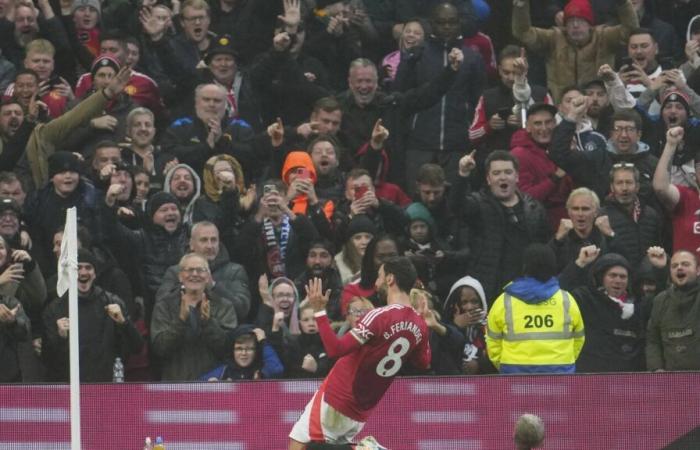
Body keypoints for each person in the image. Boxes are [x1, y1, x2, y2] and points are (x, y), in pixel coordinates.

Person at [288, 257, 430, 448]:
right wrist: (422, 321)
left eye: (379, 276)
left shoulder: (380, 316)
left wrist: (320, 312)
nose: (376, 282)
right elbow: (424, 363)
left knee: (300, 446)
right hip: (363, 408)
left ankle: (365, 449)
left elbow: (335, 349)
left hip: (338, 396)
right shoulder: (419, 324)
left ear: (390, 279)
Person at [449, 150, 550, 303]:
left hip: (525, 288)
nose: (502, 177)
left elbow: (544, 246)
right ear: (489, 179)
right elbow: (456, 206)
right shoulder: (478, 203)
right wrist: (463, 174)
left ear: (516, 177)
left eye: (508, 172)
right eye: (496, 173)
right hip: (489, 286)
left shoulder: (534, 207)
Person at [42, 249, 143, 381]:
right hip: (69, 388)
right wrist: (60, 337)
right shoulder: (55, 308)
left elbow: (137, 347)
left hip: (103, 384)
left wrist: (124, 323)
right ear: (70, 273)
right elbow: (46, 359)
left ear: (95, 274)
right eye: (78, 268)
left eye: (88, 268)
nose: (83, 273)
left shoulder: (113, 303)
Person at [486, 244, 585, 373]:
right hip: (560, 376)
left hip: (515, 376)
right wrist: (564, 364)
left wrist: (505, 368)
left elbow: (492, 342)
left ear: (524, 267)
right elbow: (579, 339)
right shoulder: (566, 299)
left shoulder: (504, 301)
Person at [512, 0, 639, 101]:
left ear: (590, 25)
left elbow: (631, 29)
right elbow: (523, 32)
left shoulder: (604, 36)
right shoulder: (553, 38)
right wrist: (521, 6)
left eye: (581, 21)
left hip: (600, 106)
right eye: (571, 21)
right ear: (564, 25)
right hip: (561, 108)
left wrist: (623, 3)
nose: (575, 25)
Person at [150, 253, 238, 380]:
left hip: (212, 383)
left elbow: (228, 348)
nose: (195, 274)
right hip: (176, 384)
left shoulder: (223, 306)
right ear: (180, 276)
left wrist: (208, 322)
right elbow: (160, 348)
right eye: (190, 270)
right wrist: (180, 320)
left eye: (200, 270)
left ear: (208, 277)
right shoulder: (164, 306)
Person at [559, 247, 646, 372]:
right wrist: (580, 263)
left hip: (627, 379)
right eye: (613, 275)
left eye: (623, 277)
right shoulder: (587, 300)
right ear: (602, 278)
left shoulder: (638, 305)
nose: (618, 280)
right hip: (592, 377)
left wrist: (660, 270)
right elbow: (561, 291)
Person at [156, 221, 251, 322]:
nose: (210, 246)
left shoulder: (235, 271)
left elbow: (242, 310)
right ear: (192, 244)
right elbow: (161, 306)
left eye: (214, 240)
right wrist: (187, 285)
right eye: (204, 240)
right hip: (182, 330)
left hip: (222, 331)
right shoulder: (175, 271)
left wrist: (214, 287)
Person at [646, 249, 700, 371]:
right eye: (674, 266)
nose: (679, 268)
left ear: (698, 270)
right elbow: (653, 340)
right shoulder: (660, 300)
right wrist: (656, 368)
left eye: (685, 264)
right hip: (672, 382)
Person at [198, 324, 284, 381]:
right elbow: (198, 385)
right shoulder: (224, 371)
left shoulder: (262, 370)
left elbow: (276, 370)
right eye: (239, 348)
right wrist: (210, 386)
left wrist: (263, 342)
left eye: (249, 349)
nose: (244, 353)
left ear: (256, 351)